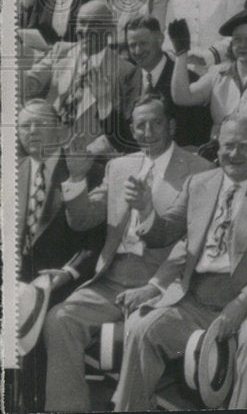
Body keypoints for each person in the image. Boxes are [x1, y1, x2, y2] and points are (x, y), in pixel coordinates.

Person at [112, 115, 247, 411]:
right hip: (198, 298)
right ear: (217, 149)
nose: (234, 154)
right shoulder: (199, 183)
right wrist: (147, 209)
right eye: (228, 145)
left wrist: (242, 302)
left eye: (244, 146)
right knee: (142, 331)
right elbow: (165, 232)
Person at [41, 93, 211, 412]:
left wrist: (155, 286)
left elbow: (193, 239)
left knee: (140, 333)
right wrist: (77, 177)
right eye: (140, 125)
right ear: (131, 130)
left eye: (156, 123)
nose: (147, 132)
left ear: (171, 125)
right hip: (112, 278)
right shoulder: (119, 167)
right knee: (59, 319)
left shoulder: (200, 170)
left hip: (163, 282)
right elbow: (82, 220)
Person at [14, 101, 104, 414]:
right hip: (21, 283)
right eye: (24, 126)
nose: (31, 132)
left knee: (35, 320)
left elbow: (97, 241)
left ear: (61, 129)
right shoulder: (15, 173)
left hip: (67, 282)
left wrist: (67, 273)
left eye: (39, 123)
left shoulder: (85, 169)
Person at [170, 5, 247, 161]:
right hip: (221, 158)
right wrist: (181, 54)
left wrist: (225, 137)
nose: (243, 45)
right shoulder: (217, 73)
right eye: (237, 39)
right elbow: (182, 97)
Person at [23, 0, 135, 155]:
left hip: (87, 153)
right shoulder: (60, 51)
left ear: (110, 30)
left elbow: (121, 130)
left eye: (95, 24)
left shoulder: (125, 71)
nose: (86, 30)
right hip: (47, 144)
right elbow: (30, 81)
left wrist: (86, 153)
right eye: (82, 23)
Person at [120, 15, 212, 149]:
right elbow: (123, 137)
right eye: (132, 45)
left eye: (143, 43)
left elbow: (199, 135)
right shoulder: (127, 80)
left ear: (160, 39)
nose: (137, 51)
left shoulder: (188, 80)